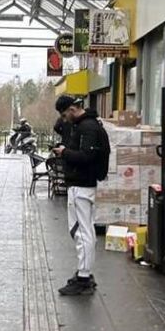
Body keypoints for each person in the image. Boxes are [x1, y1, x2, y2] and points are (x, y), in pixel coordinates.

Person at [53, 95, 110, 296]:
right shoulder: (90, 125)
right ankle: (84, 272)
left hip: (81, 185)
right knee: (84, 229)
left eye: (64, 114)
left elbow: (86, 156)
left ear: (71, 109)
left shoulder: (87, 128)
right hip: (83, 184)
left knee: (81, 231)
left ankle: (84, 277)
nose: (64, 119)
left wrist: (64, 152)